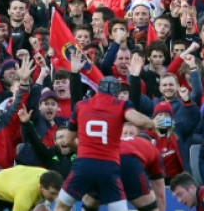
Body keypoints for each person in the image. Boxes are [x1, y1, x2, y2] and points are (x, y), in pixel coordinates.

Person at [55, 77, 154, 211]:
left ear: (98, 89)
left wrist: (87, 147)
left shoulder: (81, 105)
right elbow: (139, 121)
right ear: (116, 92)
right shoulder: (121, 105)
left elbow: (68, 140)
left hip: (84, 165)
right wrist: (154, 124)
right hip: (109, 167)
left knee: (62, 206)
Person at [0, 166, 64, 211]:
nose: (56, 198)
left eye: (58, 193)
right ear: (41, 188)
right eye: (52, 193)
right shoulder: (25, 196)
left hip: (15, 188)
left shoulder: (48, 177)